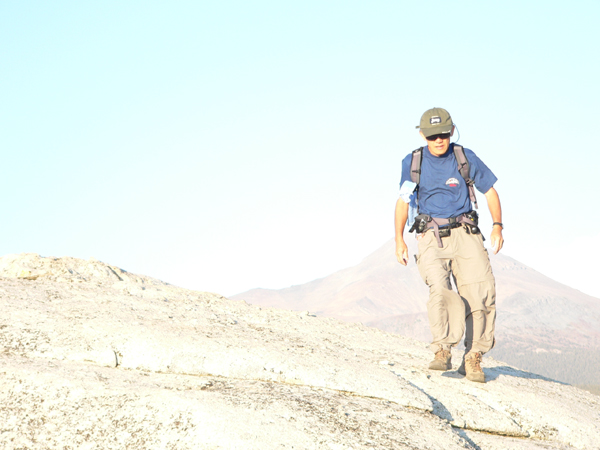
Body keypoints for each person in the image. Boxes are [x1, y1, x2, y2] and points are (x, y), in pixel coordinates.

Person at [394, 107, 504, 383]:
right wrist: (399, 239)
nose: (439, 140)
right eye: (432, 136)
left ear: (452, 131)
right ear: (423, 135)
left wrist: (497, 226)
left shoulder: (464, 157)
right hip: (431, 236)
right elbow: (403, 201)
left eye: (443, 134)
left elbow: (490, 191)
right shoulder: (413, 161)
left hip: (466, 233)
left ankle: (473, 356)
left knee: (480, 292)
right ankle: (442, 349)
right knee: (439, 289)